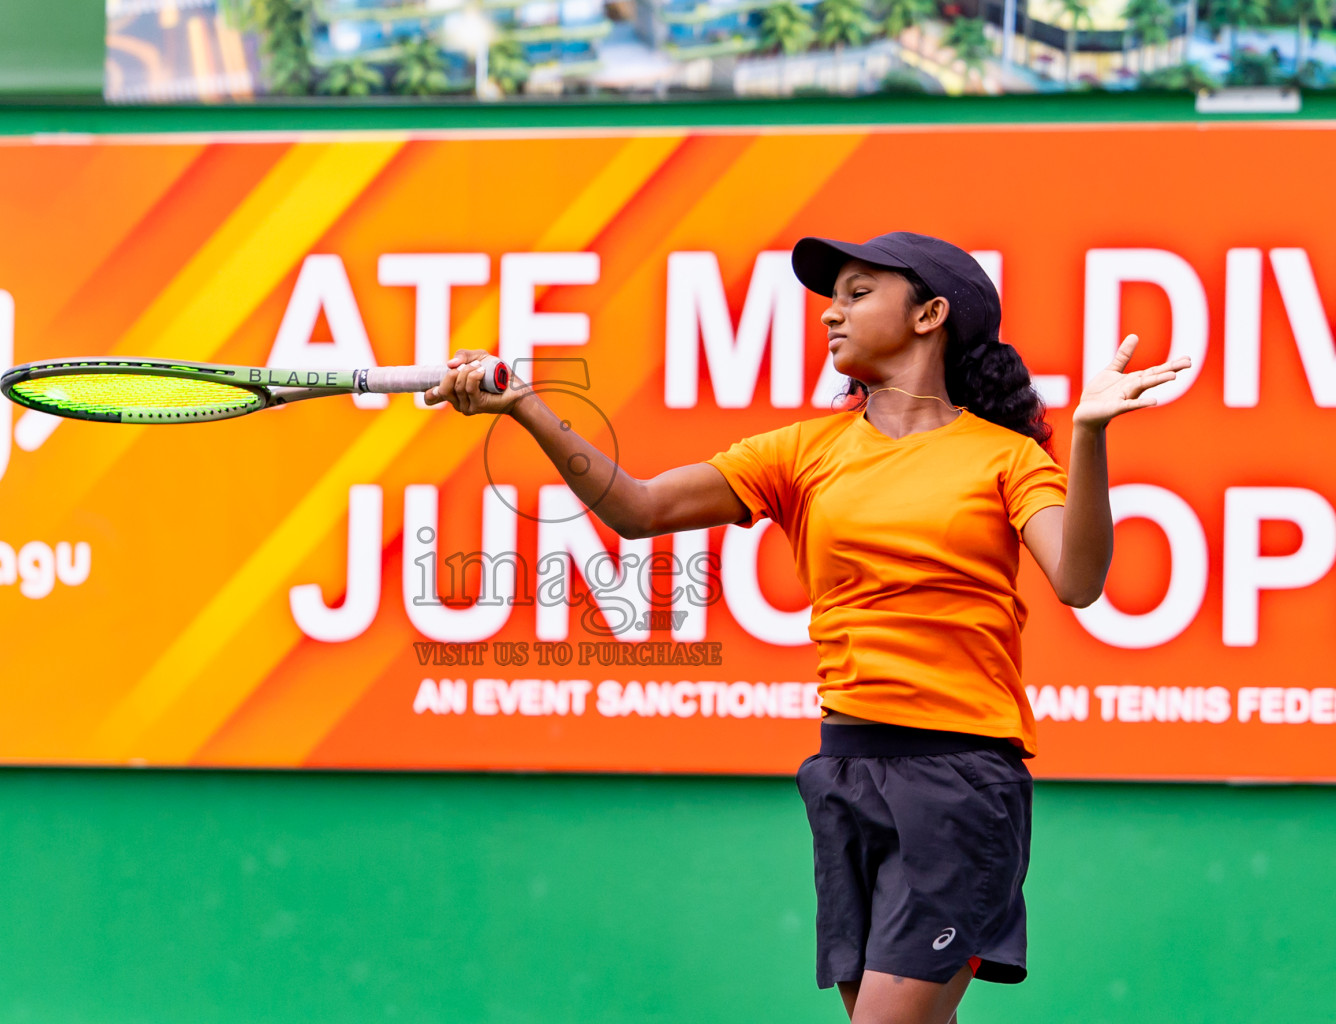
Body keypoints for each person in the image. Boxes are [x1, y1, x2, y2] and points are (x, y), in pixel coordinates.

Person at [426, 231, 1188, 1024]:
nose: (832, 314)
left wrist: (1092, 435)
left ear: (931, 315)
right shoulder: (800, 451)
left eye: (859, 293)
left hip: (958, 784)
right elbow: (639, 508)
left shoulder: (1002, 458)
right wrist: (526, 407)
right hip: (847, 773)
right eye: (833, 297)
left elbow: (1080, 578)